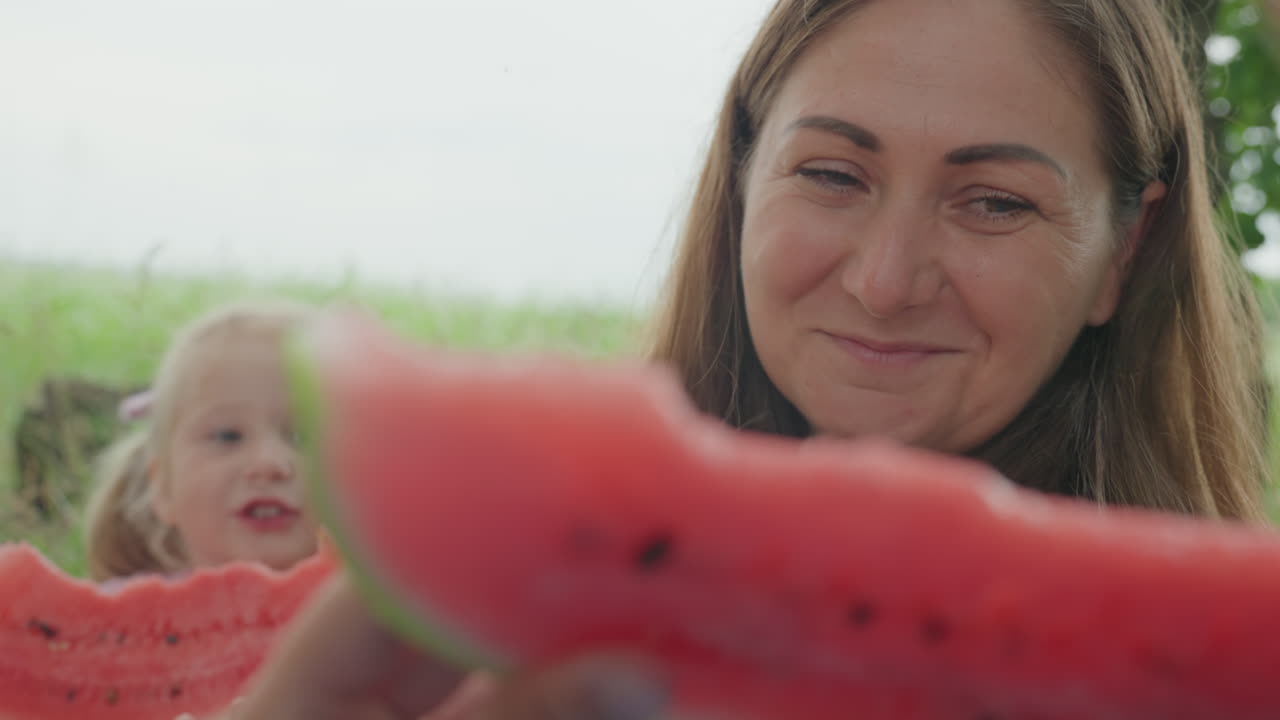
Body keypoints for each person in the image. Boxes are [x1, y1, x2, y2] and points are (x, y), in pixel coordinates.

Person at [221, 0, 1273, 717]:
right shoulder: (467, 659)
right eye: (831, 174)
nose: (883, 280)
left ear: (1119, 254)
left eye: (992, 201)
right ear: (741, 178)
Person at [83, 300, 321, 583]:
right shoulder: (115, 619)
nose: (268, 463)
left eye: (303, 437)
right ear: (163, 487)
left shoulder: (383, 618)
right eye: (227, 436)